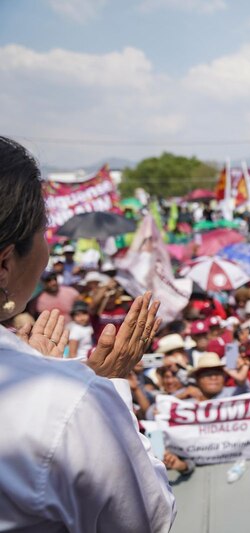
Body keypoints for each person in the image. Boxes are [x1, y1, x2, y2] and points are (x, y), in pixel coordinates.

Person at [0, 134, 174, 531]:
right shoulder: (68, 402)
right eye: (43, 231)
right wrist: (103, 386)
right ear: (5, 264)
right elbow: (150, 518)